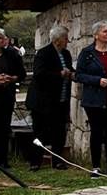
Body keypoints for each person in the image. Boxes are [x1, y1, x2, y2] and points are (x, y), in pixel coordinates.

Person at [75, 21, 107, 178]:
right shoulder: (87, 53)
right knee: (97, 132)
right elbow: (79, 75)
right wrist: (97, 80)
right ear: (96, 35)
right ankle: (96, 166)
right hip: (94, 100)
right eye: (105, 31)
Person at [27, 25, 73, 171]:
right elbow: (39, 75)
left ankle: (57, 160)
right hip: (43, 101)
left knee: (59, 131)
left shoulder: (66, 54)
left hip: (61, 99)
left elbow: (70, 69)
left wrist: (72, 73)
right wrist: (59, 74)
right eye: (66, 38)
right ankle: (36, 161)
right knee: (39, 131)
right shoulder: (43, 53)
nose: (68, 41)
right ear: (57, 40)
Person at [0, 27, 26, 169]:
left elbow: (21, 74)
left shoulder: (11, 54)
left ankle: (2, 160)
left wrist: (11, 78)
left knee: (3, 128)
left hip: (5, 97)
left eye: (0, 37)